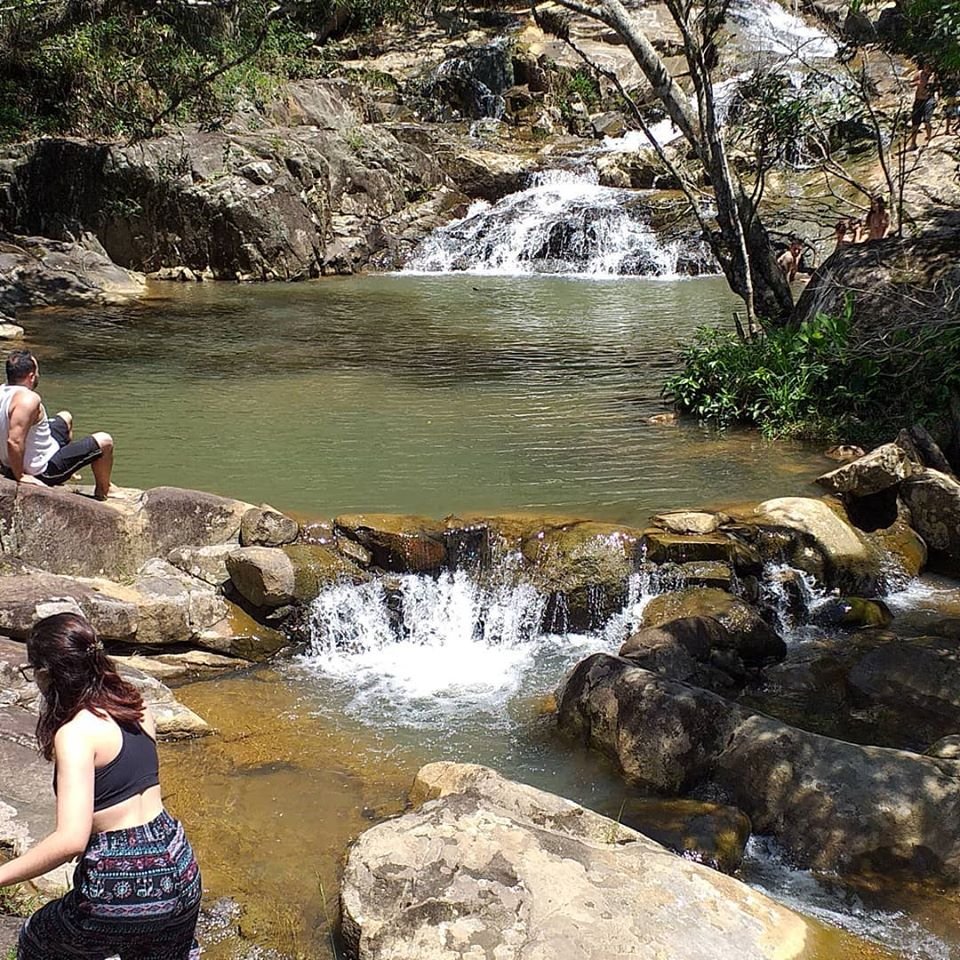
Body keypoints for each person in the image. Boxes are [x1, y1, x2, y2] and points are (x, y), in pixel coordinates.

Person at [0, 612, 201, 959]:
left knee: (38, 940)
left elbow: (70, 841)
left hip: (123, 881)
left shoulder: (76, 734)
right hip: (181, 863)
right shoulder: (136, 707)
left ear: (47, 675)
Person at [0, 349, 114, 499]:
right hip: (42, 470)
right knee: (105, 441)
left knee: (65, 417)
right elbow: (14, 441)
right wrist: (20, 476)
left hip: (25, 457)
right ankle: (104, 490)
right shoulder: (28, 400)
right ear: (31, 376)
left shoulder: (3, 391)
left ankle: (70, 469)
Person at [908, 61, 937, 150]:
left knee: (927, 120)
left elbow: (937, 88)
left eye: (929, 67)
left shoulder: (934, 76)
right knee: (915, 122)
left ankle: (930, 140)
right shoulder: (919, 74)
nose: (927, 69)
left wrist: (937, 98)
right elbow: (910, 84)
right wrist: (916, 83)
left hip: (929, 99)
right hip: (918, 100)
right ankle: (913, 143)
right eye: (926, 67)